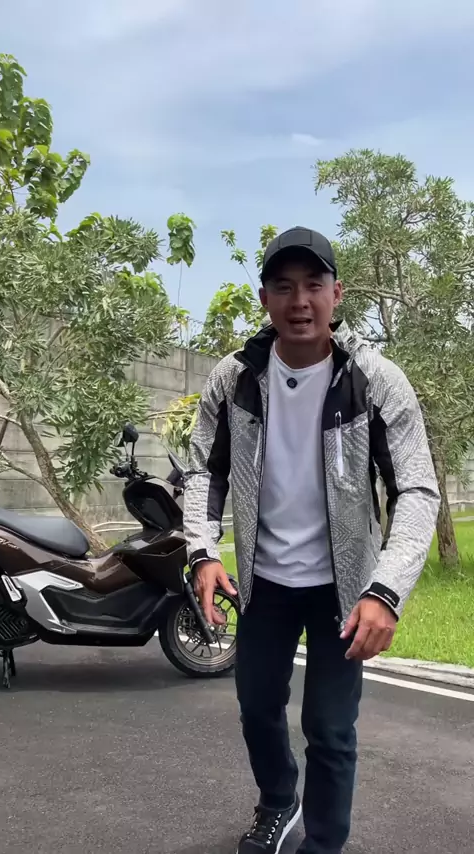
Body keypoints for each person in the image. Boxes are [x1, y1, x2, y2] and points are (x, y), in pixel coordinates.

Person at [182, 227, 440, 854]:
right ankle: (278, 802)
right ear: (265, 299)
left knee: (329, 727)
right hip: (264, 584)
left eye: (313, 285)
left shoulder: (375, 380)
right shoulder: (235, 379)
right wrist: (203, 552)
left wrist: (386, 590)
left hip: (345, 593)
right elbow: (203, 471)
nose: (300, 301)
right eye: (283, 287)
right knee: (256, 709)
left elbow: (417, 490)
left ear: (336, 293)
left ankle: (323, 844)